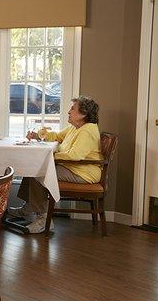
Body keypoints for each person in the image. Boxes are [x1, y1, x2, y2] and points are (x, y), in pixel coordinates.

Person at [18, 95, 102, 233]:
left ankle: (44, 219)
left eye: (73, 109)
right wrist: (38, 135)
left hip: (83, 172)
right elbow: (57, 136)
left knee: (38, 172)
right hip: (72, 168)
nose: (69, 112)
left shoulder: (87, 130)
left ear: (83, 114)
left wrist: (52, 156)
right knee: (32, 168)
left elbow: (74, 155)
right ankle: (29, 208)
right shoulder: (75, 127)